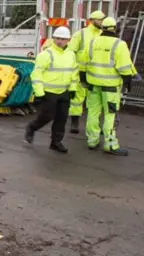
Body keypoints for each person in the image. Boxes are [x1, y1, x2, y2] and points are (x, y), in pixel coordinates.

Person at [84, 17, 137, 156]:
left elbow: (84, 63)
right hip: (111, 88)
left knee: (92, 113)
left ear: (102, 28)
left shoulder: (92, 42)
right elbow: (125, 67)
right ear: (115, 28)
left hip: (93, 85)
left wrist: (84, 79)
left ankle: (92, 140)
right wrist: (128, 81)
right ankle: (110, 144)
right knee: (110, 115)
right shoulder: (119, 44)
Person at [24, 27, 79, 153]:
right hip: (49, 92)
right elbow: (36, 74)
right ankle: (32, 127)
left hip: (64, 91)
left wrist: (73, 88)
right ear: (53, 39)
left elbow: (74, 73)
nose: (60, 41)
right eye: (58, 38)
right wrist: (39, 92)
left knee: (62, 118)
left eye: (63, 39)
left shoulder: (71, 55)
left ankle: (56, 142)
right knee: (47, 116)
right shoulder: (46, 54)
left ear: (68, 40)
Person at [67, 10, 105, 134]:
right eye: (100, 20)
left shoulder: (103, 34)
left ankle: (94, 126)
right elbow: (71, 51)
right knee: (77, 99)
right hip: (80, 72)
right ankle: (74, 123)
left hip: (96, 73)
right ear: (93, 20)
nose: (102, 22)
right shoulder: (81, 34)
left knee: (94, 101)